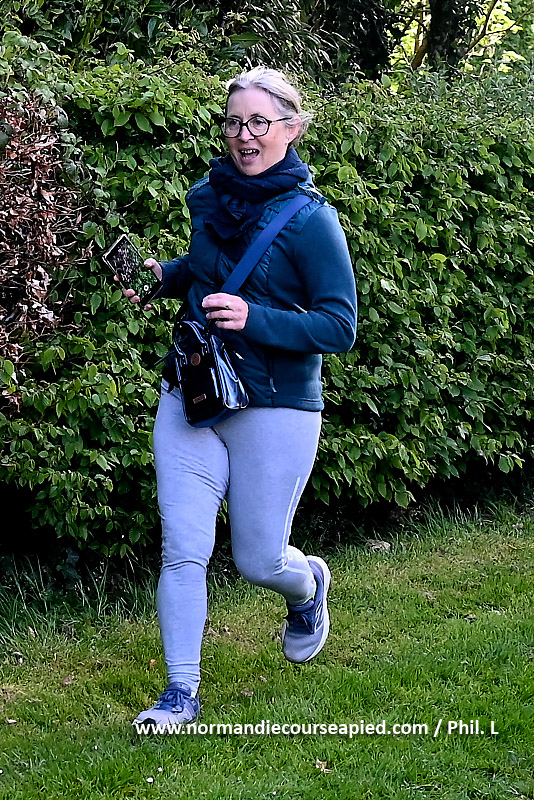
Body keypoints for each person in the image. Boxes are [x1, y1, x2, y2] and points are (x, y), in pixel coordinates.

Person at [122, 66, 357, 726]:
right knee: (182, 546)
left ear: (292, 129)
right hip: (193, 392)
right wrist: (164, 277)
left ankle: (307, 585)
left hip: (274, 404)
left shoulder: (313, 220)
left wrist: (257, 319)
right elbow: (208, 270)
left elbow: (339, 326)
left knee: (258, 560)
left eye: (259, 122)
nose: (244, 135)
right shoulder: (209, 197)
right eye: (233, 122)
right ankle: (180, 693)